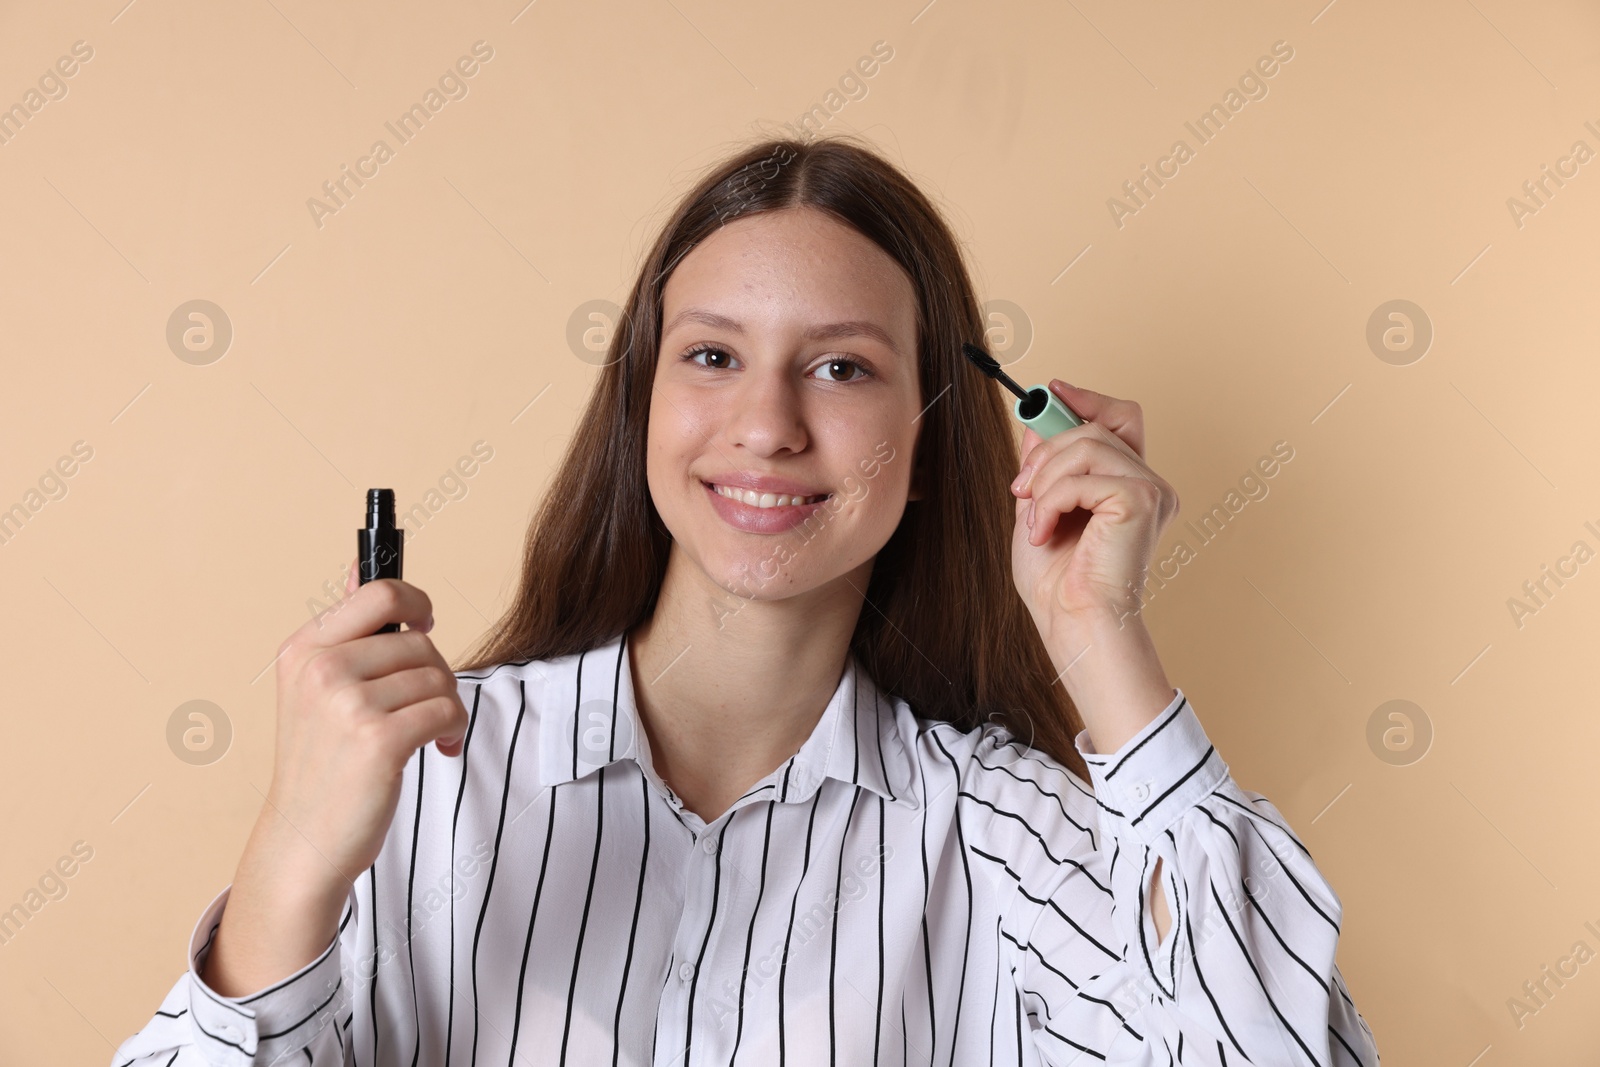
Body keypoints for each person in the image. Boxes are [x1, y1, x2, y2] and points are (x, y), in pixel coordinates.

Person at [111, 135, 1379, 1066]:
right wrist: (288, 858)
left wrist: (1098, 634)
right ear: (644, 404)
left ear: (939, 439)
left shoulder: (1008, 842)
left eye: (839, 366)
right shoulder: (420, 778)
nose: (766, 426)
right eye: (711, 355)